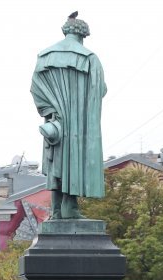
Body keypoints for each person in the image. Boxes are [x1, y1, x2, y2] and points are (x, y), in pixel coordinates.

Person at [31, 13, 107, 219]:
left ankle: (56, 211)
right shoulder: (89, 58)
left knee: (57, 161)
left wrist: (50, 111)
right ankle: (70, 209)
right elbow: (99, 90)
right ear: (83, 35)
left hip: (55, 122)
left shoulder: (44, 57)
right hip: (79, 123)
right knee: (74, 162)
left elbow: (35, 89)